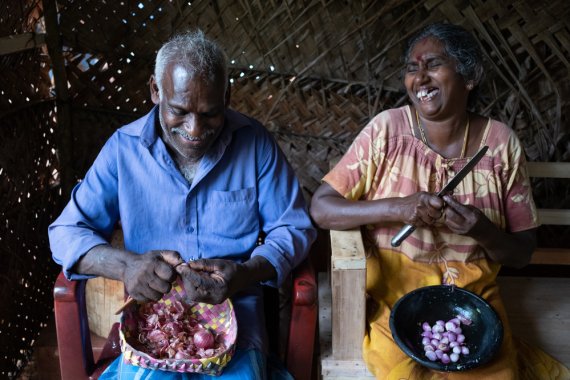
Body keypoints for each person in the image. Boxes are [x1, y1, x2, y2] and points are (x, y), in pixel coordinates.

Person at [48, 30, 316, 379]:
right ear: (155, 91)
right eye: (179, 111)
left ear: (227, 96)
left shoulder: (255, 144)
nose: (195, 129)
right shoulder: (123, 150)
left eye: (210, 114)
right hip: (150, 321)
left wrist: (245, 273)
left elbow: (293, 227)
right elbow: (66, 232)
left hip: (234, 315)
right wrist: (126, 266)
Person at [310, 22, 569, 379]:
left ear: (469, 76)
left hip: (472, 302)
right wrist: (398, 207)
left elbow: (522, 253)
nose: (420, 78)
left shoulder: (499, 144)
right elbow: (322, 208)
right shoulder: (387, 130)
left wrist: (482, 230)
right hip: (394, 296)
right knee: (403, 371)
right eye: (412, 68)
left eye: (433, 64)